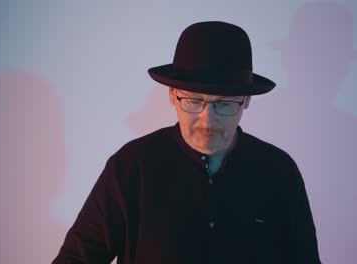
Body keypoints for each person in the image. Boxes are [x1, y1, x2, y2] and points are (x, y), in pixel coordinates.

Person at [52, 21, 321, 264]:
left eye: (224, 104)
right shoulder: (132, 165)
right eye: (193, 101)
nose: (208, 120)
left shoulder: (279, 171)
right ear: (172, 95)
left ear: (246, 101)